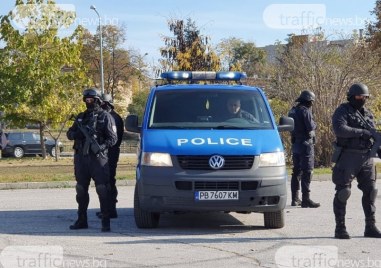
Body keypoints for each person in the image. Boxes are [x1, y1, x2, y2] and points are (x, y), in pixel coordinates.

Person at [331, 83, 381, 239]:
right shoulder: (342, 111)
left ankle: (370, 227)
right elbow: (340, 129)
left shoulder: (368, 114)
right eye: (359, 97)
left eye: (365, 97)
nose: (362, 99)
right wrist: (361, 132)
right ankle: (340, 228)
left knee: (371, 191)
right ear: (352, 97)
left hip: (366, 157)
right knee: (343, 192)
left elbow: (373, 134)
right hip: (348, 156)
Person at [67, 88, 117, 232]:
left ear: (98, 100)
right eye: (87, 99)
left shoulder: (105, 116)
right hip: (82, 159)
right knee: (81, 189)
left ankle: (106, 222)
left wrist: (101, 146)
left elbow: (113, 138)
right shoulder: (81, 117)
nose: (89, 102)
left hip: (98, 159)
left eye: (92, 99)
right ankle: (81, 220)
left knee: (102, 189)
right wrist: (77, 134)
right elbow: (69, 133)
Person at [288, 90, 320, 208]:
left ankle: (295, 199)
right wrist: (315, 124)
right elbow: (310, 126)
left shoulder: (292, 111)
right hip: (306, 145)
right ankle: (306, 199)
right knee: (307, 171)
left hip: (296, 144)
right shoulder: (305, 111)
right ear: (308, 101)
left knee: (296, 171)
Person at [95, 94, 124, 219]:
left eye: (101, 103)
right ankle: (107, 208)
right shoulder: (109, 116)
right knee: (106, 180)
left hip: (110, 152)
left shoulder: (113, 118)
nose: (99, 106)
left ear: (107, 104)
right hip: (107, 152)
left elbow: (113, 139)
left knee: (108, 180)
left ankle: (110, 210)